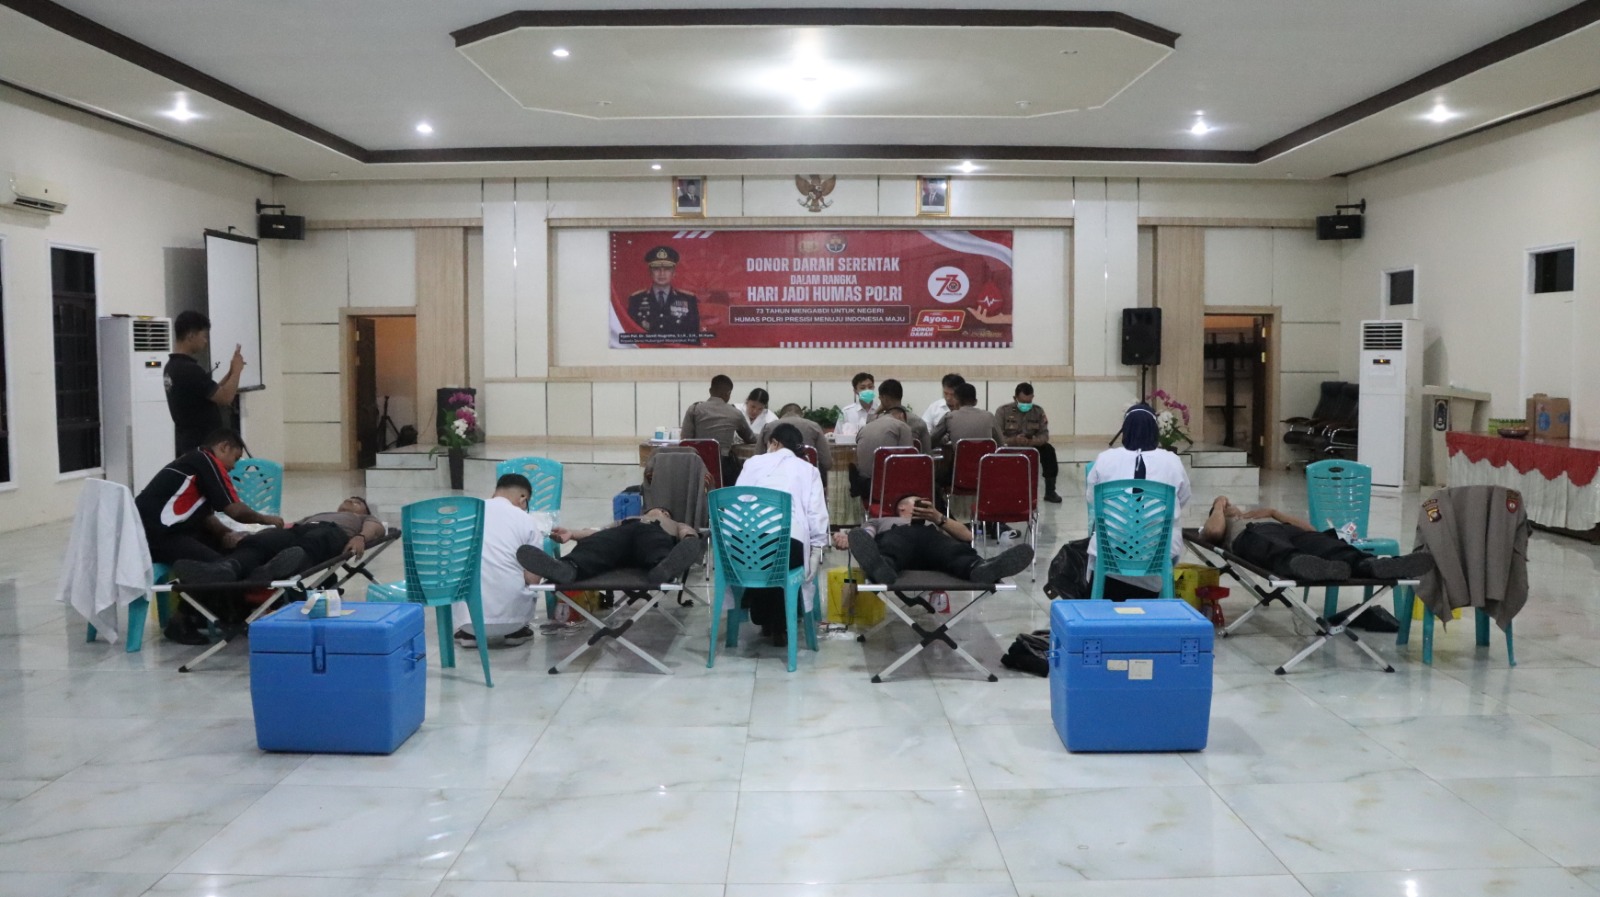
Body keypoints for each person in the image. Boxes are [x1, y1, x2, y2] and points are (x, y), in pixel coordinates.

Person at [134, 430, 288, 642]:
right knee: (217, 568)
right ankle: (181, 620)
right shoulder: (207, 461)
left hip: (164, 533)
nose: (234, 466)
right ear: (223, 447)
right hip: (158, 536)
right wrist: (267, 519)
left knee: (229, 552)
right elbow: (234, 510)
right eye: (235, 458)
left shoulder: (194, 462)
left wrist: (226, 533)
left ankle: (224, 610)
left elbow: (206, 515)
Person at [1200, 496, 1427, 630]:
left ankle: (1370, 564)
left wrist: (1273, 513)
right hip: (1253, 535)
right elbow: (1213, 532)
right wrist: (1219, 505)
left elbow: (1310, 530)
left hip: (1287, 531)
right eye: (1228, 506)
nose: (1233, 506)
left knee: (1326, 543)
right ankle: (1299, 563)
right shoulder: (1224, 525)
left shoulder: (1261, 516)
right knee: (1275, 547)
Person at [735, 423, 830, 645]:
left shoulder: (753, 463)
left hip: (746, 549)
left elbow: (737, 502)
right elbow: (816, 514)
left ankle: (762, 612)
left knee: (765, 552)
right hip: (789, 546)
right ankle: (780, 623)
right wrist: (817, 548)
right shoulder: (808, 470)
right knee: (783, 559)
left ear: (775, 443)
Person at [1086, 404, 1191, 598]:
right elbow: (1183, 498)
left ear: (1125, 430)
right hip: (1158, 549)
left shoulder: (1105, 459)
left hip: (1111, 549)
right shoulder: (1171, 461)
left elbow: (1092, 498)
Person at [170, 495, 385, 586]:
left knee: (314, 541)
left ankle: (276, 568)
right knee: (263, 541)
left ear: (364, 511)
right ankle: (227, 567)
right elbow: (291, 526)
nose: (351, 501)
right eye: (349, 499)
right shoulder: (320, 513)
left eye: (357, 502)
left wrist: (360, 537)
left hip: (332, 533)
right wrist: (253, 534)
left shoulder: (361, 519)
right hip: (301, 528)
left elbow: (377, 528)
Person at [841, 494, 1033, 586]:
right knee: (891, 546)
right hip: (899, 539)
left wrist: (938, 518)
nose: (925, 506)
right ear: (902, 507)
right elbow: (865, 536)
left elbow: (967, 536)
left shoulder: (934, 521)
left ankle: (979, 568)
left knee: (953, 551)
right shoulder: (882, 520)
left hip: (931, 544)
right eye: (918, 503)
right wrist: (848, 538)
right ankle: (882, 568)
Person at [451, 474, 550, 648]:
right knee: (529, 578)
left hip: (468, 621)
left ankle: (469, 634)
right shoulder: (526, 520)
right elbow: (533, 578)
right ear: (523, 499)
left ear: (495, 492)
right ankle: (516, 632)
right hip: (514, 621)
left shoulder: (467, 515)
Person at [515, 507, 704, 587]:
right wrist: (572, 533)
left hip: (652, 533)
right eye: (656, 509)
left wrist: (689, 539)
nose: (660, 511)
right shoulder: (627, 520)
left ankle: (662, 568)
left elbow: (686, 531)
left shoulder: (672, 523)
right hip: (620, 536)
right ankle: (568, 567)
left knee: (655, 546)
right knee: (597, 545)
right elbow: (598, 533)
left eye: (664, 511)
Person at [164, 310, 245, 457]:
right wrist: (237, 371)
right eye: (204, 336)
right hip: (202, 445)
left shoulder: (172, 367)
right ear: (191, 336)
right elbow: (225, 397)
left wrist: (231, 371)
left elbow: (211, 391)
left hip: (187, 443)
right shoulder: (189, 369)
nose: (205, 341)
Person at [681, 374, 754, 486]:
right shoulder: (735, 413)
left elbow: (685, 440)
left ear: (710, 391)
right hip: (723, 468)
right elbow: (750, 438)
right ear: (728, 394)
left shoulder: (694, 409)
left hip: (696, 466)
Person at [996, 382, 1062, 503]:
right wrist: (1014, 440)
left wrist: (1032, 441)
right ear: (1015, 398)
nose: (1026, 405)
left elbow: (1044, 435)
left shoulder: (1038, 411)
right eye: (1022, 402)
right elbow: (998, 437)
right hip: (1010, 446)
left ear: (1032, 398)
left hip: (1032, 446)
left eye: (1029, 402)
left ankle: (1050, 491)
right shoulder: (1003, 411)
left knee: (1049, 450)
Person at [626, 245, 701, 343]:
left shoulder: (688, 299)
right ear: (650, 272)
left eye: (667, 269)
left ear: (674, 273)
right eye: (656, 269)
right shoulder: (636, 299)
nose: (662, 274)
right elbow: (630, 334)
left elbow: (693, 338)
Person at [851, 404, 916, 503]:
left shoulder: (864, 428)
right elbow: (910, 459)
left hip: (864, 488)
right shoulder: (902, 426)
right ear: (901, 416)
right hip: (890, 489)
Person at [759, 403, 831, 473]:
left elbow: (758, 455)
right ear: (802, 415)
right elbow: (827, 463)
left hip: (773, 473)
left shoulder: (767, 427)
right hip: (805, 473)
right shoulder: (814, 427)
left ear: (781, 416)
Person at [930, 382, 1003, 449]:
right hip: (984, 459)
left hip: (961, 459)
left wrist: (944, 439)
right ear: (975, 402)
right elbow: (1001, 444)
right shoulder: (989, 416)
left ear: (956, 400)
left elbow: (930, 441)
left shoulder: (949, 417)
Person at [876, 379, 928, 449]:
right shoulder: (918, 422)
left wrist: (877, 411)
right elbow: (927, 452)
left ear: (884, 398)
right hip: (912, 456)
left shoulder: (878, 421)